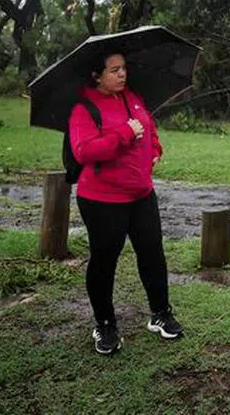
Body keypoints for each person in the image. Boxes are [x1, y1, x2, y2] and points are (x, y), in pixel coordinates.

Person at [69, 51, 183, 355]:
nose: (122, 74)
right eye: (114, 70)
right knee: (105, 261)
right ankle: (105, 324)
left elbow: (149, 126)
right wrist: (125, 132)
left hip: (141, 195)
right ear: (97, 75)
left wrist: (155, 149)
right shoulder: (84, 108)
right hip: (102, 200)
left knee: (153, 255)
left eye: (124, 69)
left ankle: (161, 313)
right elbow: (85, 152)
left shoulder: (132, 97)